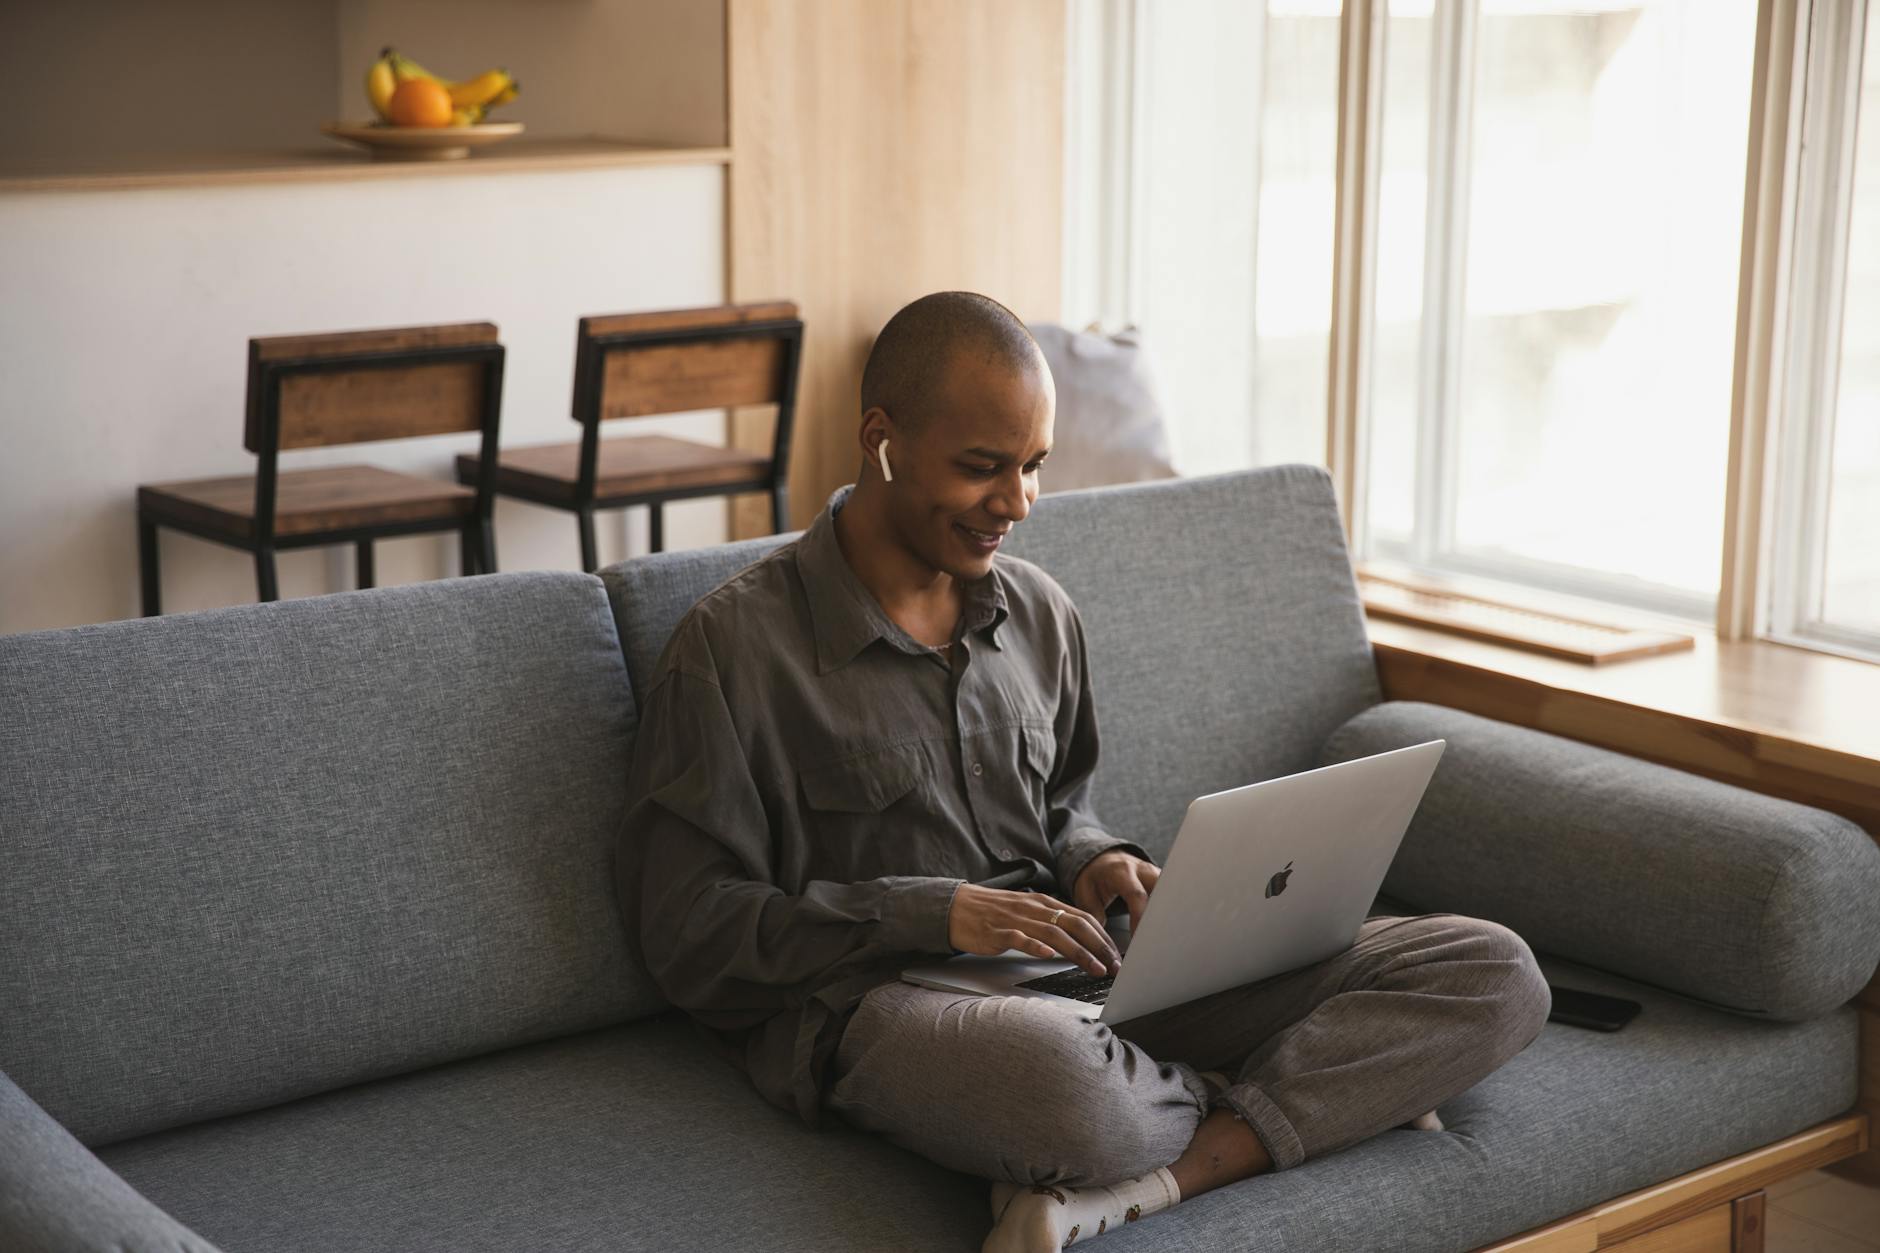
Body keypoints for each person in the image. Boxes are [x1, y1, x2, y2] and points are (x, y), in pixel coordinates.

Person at [615, 291, 1552, 1251]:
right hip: (893, 1001)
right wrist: (929, 909)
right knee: (1071, 1098)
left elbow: (1063, 810)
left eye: (1031, 467)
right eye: (982, 467)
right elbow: (689, 936)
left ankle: (1158, 1172)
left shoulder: (1039, 613)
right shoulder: (731, 650)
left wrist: (1098, 857)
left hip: (1090, 977)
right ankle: (1311, 1091)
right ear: (879, 437)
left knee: (1492, 971)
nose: (1016, 503)